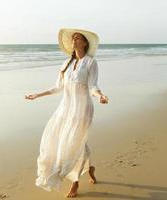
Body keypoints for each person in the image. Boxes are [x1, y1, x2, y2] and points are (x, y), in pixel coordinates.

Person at [25, 28, 109, 198]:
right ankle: (90, 168)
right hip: (66, 108)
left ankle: (75, 182)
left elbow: (92, 86)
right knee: (65, 141)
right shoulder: (66, 64)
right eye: (72, 39)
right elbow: (58, 87)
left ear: (85, 42)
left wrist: (100, 95)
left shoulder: (91, 62)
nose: (74, 41)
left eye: (77, 38)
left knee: (73, 142)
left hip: (82, 109)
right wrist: (37, 95)